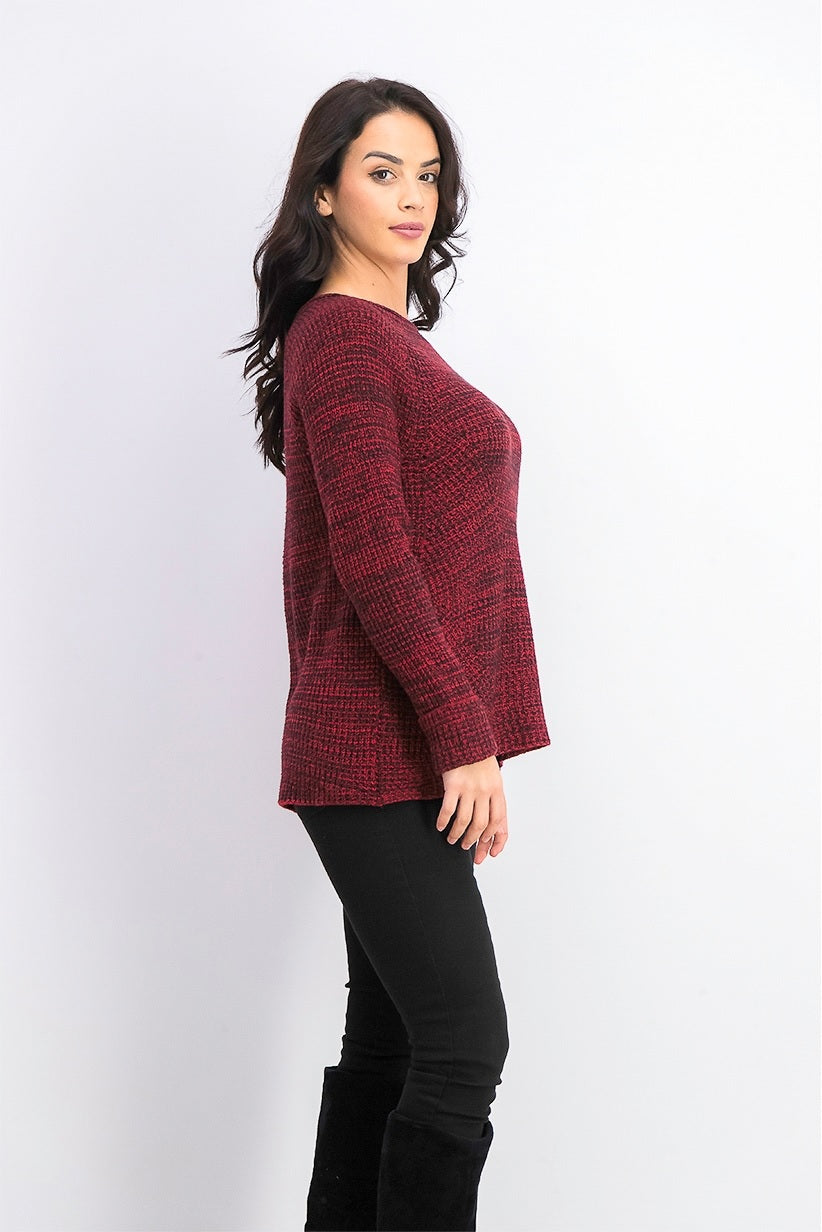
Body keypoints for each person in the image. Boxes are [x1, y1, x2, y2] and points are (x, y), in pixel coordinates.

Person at [226, 76, 551, 1232]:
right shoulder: (345, 337)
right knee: (466, 1041)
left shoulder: (377, 339)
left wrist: (459, 734)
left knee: (399, 1038)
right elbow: (376, 560)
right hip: (378, 745)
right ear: (324, 191)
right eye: (381, 171)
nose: (413, 197)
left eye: (428, 174)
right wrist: (467, 737)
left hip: (393, 743)